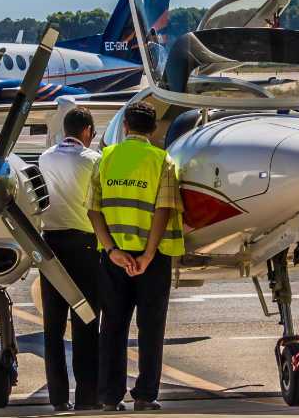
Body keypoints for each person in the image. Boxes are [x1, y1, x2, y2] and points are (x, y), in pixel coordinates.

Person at [87, 102, 185, 412]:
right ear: (154, 130)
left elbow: (94, 210)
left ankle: (110, 396)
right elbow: (164, 209)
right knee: (151, 327)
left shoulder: (105, 158)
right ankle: (144, 395)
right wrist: (148, 253)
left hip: (114, 257)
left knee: (113, 326)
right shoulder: (162, 160)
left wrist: (113, 250)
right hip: (152, 260)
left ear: (125, 127)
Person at [37, 107, 102, 412]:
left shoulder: (45, 158)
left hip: (51, 245)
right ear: (87, 131)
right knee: (86, 321)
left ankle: (58, 397)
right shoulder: (94, 160)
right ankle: (87, 396)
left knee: (53, 324)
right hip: (85, 245)